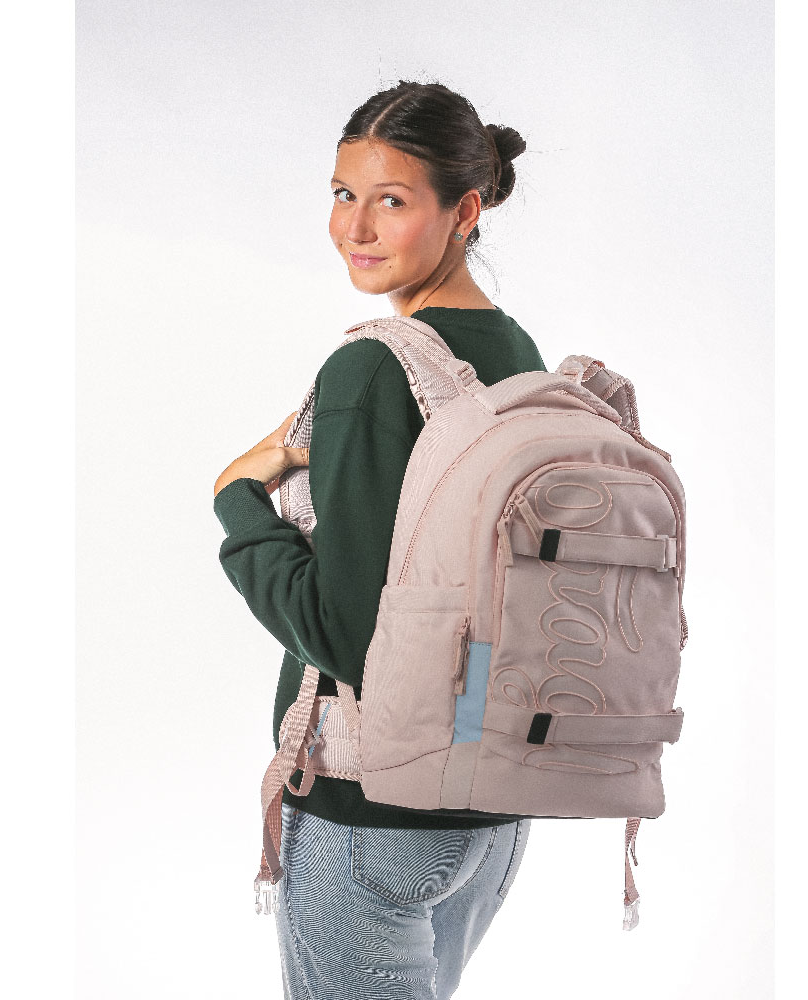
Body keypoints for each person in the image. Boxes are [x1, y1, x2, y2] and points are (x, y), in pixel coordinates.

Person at [213, 80, 547, 1000]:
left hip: (372, 810)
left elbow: (352, 635)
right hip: (491, 805)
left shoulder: (371, 368)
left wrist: (237, 501)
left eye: (391, 201)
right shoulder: (517, 355)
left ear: (464, 211)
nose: (353, 228)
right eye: (341, 194)